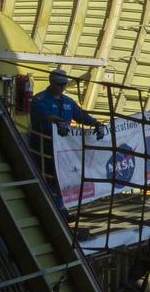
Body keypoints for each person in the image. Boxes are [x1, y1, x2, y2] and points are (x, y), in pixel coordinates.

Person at [28, 68, 105, 202]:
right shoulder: (39, 99)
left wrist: (96, 123)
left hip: (63, 149)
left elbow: (80, 116)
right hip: (44, 147)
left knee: (64, 177)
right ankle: (56, 208)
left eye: (64, 84)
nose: (62, 87)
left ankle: (64, 204)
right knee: (49, 177)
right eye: (59, 84)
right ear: (51, 82)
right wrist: (59, 122)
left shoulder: (68, 102)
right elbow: (45, 115)